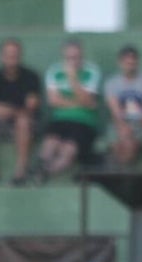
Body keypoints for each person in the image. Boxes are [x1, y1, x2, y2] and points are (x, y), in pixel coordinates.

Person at [39, 39, 101, 181]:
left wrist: (73, 78)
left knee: (67, 151)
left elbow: (87, 101)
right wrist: (78, 102)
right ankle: (41, 170)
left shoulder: (92, 70)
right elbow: (53, 101)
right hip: (60, 119)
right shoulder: (54, 71)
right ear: (63, 57)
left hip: (84, 121)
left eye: (76, 57)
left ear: (82, 56)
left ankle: (46, 173)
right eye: (69, 58)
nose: (73, 61)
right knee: (49, 146)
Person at [0, 38, 40, 185]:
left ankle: (21, 170)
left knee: (23, 119)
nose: (12, 57)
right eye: (8, 54)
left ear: (20, 55)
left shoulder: (31, 77)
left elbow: (31, 105)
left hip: (24, 123)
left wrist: (5, 109)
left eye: (15, 53)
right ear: (1, 56)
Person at [103, 45, 142, 168]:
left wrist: (134, 128)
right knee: (118, 147)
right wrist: (124, 128)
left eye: (133, 61)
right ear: (120, 63)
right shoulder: (111, 83)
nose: (130, 64)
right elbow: (115, 113)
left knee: (129, 147)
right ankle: (117, 176)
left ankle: (121, 176)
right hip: (119, 125)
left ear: (138, 62)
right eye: (127, 62)